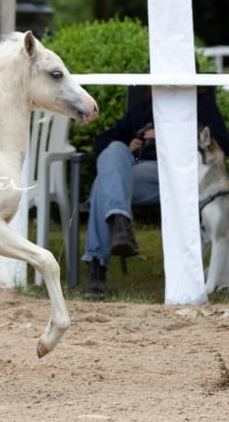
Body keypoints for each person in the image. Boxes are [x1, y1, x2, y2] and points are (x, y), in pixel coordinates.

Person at [82, 84, 229, 299]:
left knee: (101, 187)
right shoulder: (144, 109)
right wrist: (128, 145)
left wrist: (171, 138)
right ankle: (119, 217)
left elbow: (222, 144)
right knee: (114, 151)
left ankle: (97, 264)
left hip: (168, 173)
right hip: (134, 169)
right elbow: (101, 141)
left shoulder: (202, 107)